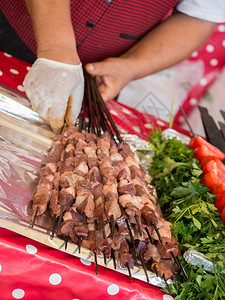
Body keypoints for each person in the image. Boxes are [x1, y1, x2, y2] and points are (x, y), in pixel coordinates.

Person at [0, 0, 225, 132]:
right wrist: (56, 46)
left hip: (96, 72)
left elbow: (198, 16)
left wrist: (131, 66)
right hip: (10, 30)